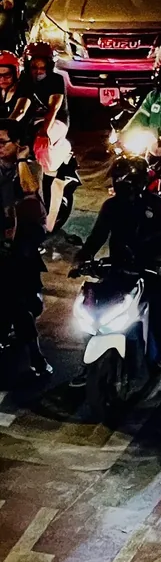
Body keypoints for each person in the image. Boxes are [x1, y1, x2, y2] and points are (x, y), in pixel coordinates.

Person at [74, 156, 161, 364]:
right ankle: (88, 361)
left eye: (124, 182)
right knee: (92, 302)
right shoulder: (111, 206)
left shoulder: (157, 206)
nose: (119, 186)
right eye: (117, 181)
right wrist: (83, 259)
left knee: (160, 297)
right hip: (118, 266)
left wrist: (149, 261)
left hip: (150, 267)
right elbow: (97, 236)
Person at [0, 119, 50, 378]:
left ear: (18, 144)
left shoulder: (30, 168)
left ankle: (36, 357)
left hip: (22, 242)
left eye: (3, 142)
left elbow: (30, 189)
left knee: (17, 302)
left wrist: (20, 160)